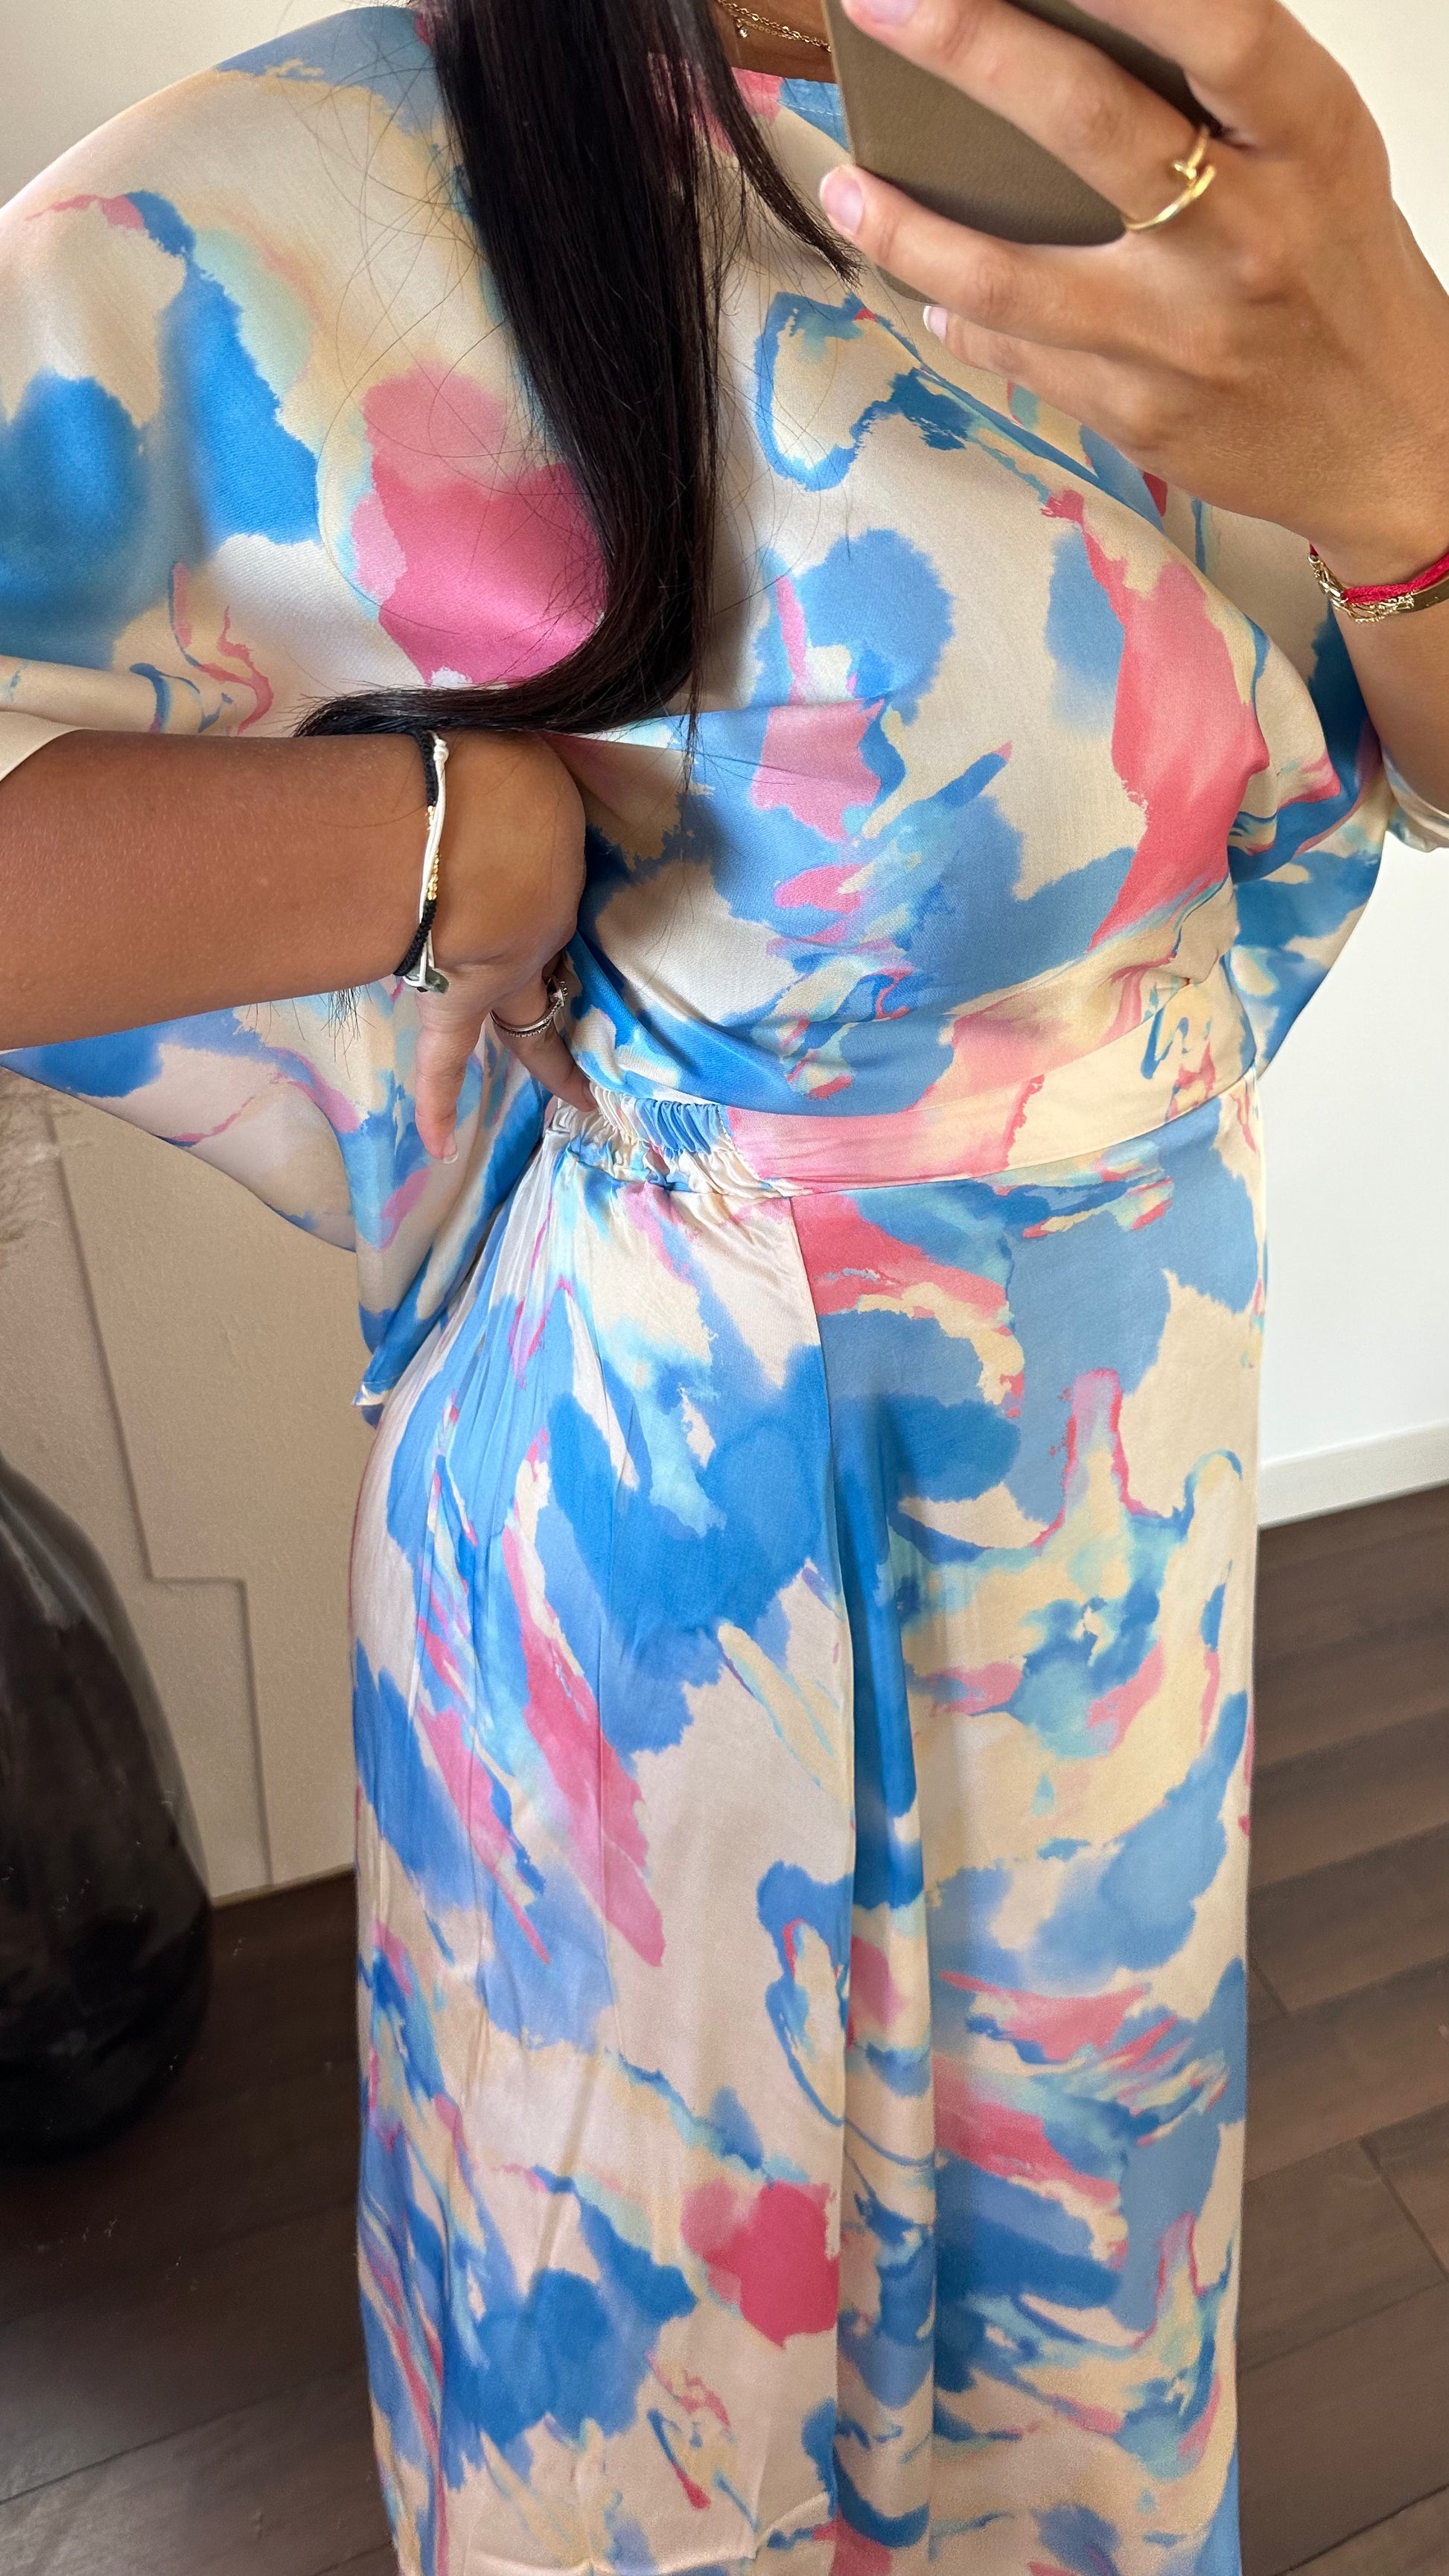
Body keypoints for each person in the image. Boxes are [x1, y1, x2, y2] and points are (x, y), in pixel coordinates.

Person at [1, 1, 1446, 2567]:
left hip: (1111, 1522)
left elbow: (1403, 753)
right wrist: (443, 840)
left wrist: (1408, 479)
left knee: (1077, 2338)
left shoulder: (1173, 121)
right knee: (666, 2377)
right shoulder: (316, 190)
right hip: (661, 1543)